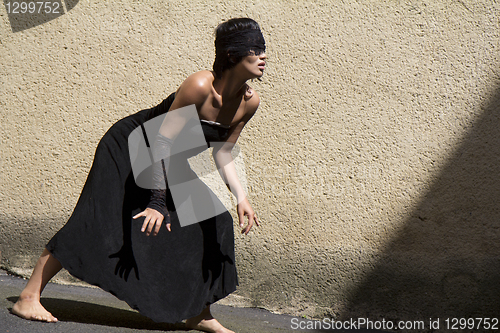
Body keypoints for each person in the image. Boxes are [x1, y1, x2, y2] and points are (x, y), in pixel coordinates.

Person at [12, 17, 266, 333]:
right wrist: (157, 201)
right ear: (232, 55)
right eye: (255, 49)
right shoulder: (200, 86)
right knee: (95, 221)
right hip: (130, 146)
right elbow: (160, 140)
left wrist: (241, 197)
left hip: (167, 158)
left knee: (215, 221)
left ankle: (201, 313)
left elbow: (222, 151)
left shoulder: (248, 102)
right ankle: (29, 296)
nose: (263, 56)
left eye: (263, 49)